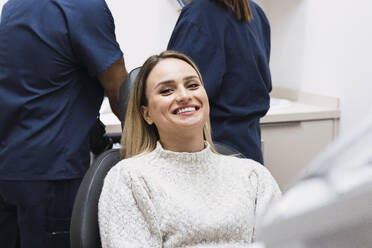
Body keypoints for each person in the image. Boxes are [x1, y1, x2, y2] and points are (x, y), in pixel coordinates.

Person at [98, 51, 280, 248]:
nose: (184, 96)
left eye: (193, 85)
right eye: (167, 91)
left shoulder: (254, 177)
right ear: (147, 113)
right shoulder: (130, 179)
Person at [0, 0, 127, 247]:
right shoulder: (83, 7)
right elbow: (120, 90)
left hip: (11, 168)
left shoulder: (14, 6)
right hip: (54, 173)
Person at [167, 0, 272, 164]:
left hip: (212, 152)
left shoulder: (200, 13)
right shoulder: (255, 11)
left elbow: (177, 95)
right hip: (249, 150)